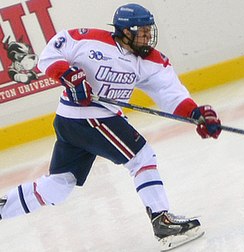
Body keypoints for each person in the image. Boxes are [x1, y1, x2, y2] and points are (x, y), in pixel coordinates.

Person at [0, 3, 221, 251]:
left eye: (150, 31)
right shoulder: (89, 40)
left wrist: (196, 114)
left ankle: (2, 208)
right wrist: (69, 76)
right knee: (141, 156)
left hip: (80, 120)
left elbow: (170, 93)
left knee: (59, 186)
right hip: (86, 116)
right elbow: (50, 55)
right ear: (125, 31)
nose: (148, 36)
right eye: (142, 31)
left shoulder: (150, 61)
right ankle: (163, 222)